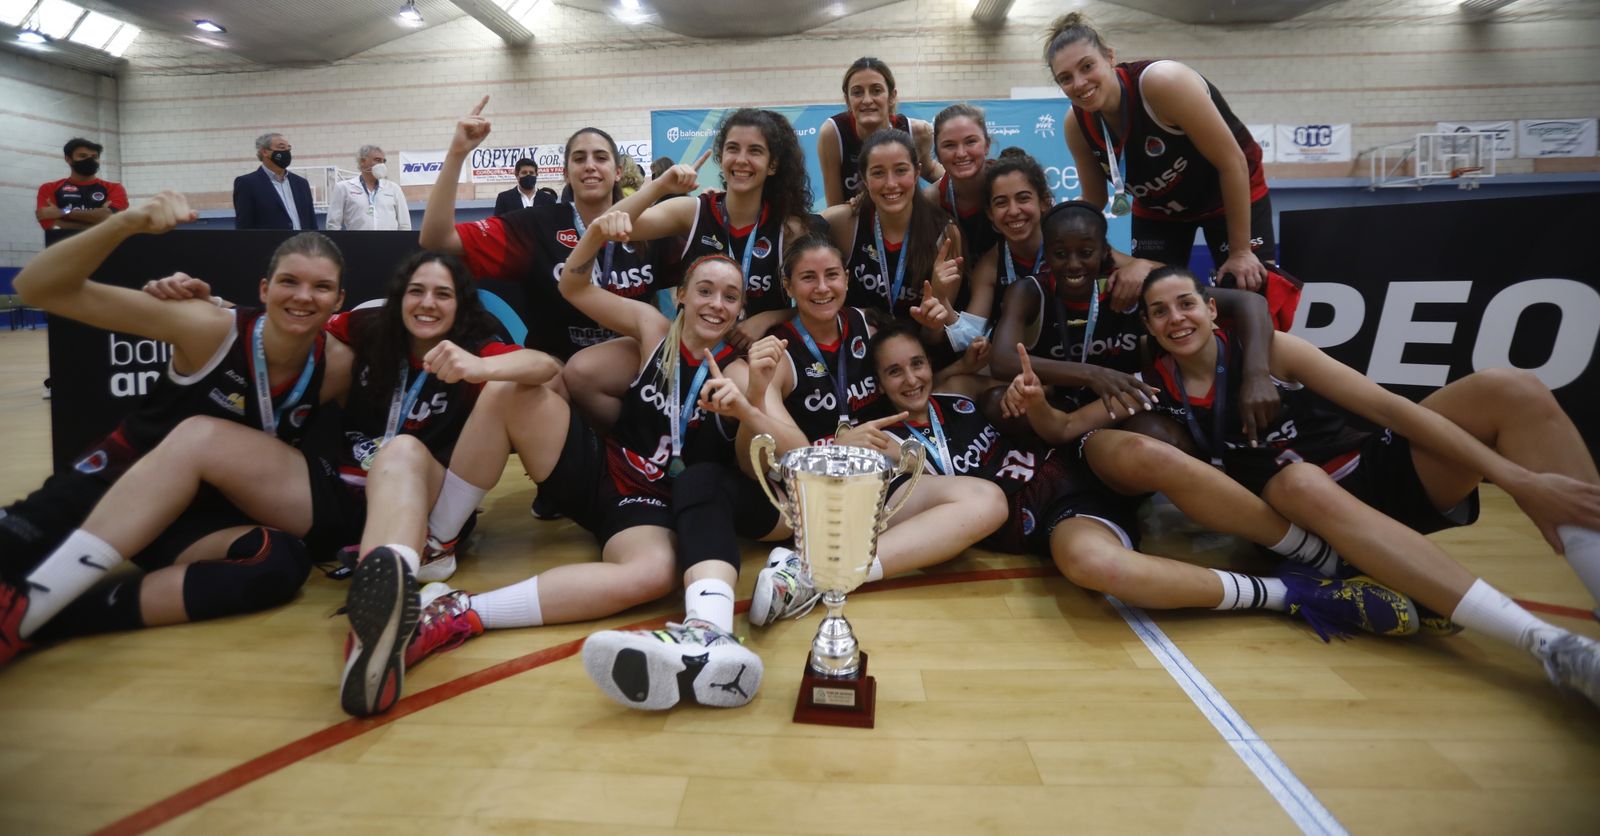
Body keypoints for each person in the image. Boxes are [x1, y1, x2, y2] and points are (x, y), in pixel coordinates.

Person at [1137, 266, 1600, 706]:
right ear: (1149, 326)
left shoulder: (1272, 353)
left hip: (1369, 472)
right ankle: (1550, 645)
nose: (1176, 318)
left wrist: (1517, 479)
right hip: (1297, 520)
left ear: (1211, 308)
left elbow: (1390, 410)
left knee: (1511, 388)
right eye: (1160, 311)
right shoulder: (1154, 389)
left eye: (1186, 303)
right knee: (1299, 482)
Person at [396, 214, 790, 713]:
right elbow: (573, 286)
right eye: (705, 291)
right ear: (681, 296)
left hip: (651, 506)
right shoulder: (654, 328)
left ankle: (459, 611)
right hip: (604, 470)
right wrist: (597, 233)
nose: (716, 303)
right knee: (508, 391)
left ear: (739, 310)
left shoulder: (739, 371)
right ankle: (438, 543)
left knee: (652, 575)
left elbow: (787, 448)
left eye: (730, 297)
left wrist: (750, 406)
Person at [865, 324, 1418, 637]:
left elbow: (991, 376)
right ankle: (1287, 594)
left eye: (917, 363)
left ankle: (1321, 556)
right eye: (894, 370)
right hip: (1047, 518)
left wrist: (1020, 397)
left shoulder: (957, 391)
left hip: (1075, 459)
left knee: (1142, 450)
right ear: (877, 382)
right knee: (1095, 568)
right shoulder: (876, 442)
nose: (911, 378)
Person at [0, 192, 351, 666]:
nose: (304, 297)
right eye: (290, 282)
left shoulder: (338, 365)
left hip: (195, 518)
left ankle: (45, 617)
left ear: (338, 300)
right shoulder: (207, 327)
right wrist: (125, 223)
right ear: (265, 289)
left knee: (277, 561)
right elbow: (36, 288)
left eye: (321, 287)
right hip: (116, 483)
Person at [738, 235, 1009, 625]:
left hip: (882, 486)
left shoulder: (867, 323)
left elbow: (910, 382)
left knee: (988, 501)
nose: (822, 287)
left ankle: (816, 575)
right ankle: (824, 564)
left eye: (832, 275)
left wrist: (959, 367)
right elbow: (773, 454)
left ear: (847, 279)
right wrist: (836, 446)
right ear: (788, 286)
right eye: (808, 277)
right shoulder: (778, 352)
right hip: (820, 493)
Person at [988, 200, 1282, 441]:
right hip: (1056, 405)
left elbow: (1252, 301)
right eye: (1061, 254)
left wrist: (1257, 374)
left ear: (1105, 251)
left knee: (1153, 432)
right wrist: (1092, 374)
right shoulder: (1030, 291)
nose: (1074, 264)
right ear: (1047, 255)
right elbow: (1001, 360)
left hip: (1119, 405)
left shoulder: (1130, 286)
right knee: (1000, 403)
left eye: (1086, 252)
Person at [419, 97, 673, 363]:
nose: (590, 165)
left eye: (601, 157)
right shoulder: (533, 226)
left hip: (630, 369)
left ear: (618, 171)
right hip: (553, 372)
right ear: (566, 173)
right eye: (579, 158)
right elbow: (437, 239)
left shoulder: (649, 228)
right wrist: (457, 153)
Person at [1048, 13, 1275, 302]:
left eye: (1087, 66)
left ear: (1110, 57)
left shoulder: (1162, 82)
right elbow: (1094, 199)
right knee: (1153, 294)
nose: (1079, 83)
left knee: (1251, 289)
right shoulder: (1076, 123)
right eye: (1066, 78)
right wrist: (1052, 223)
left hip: (1227, 191)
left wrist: (1241, 252)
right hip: (1160, 209)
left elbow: (1232, 162)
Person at [608, 108, 815, 344]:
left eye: (755, 151)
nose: (741, 159)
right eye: (733, 148)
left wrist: (768, 318)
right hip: (694, 351)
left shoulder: (788, 229)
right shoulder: (693, 212)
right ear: (720, 156)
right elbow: (608, 227)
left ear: (772, 165)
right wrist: (660, 186)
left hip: (760, 352)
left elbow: (817, 300)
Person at [820, 129, 959, 324]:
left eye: (901, 170)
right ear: (864, 178)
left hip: (917, 342)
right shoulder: (842, 223)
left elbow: (937, 335)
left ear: (917, 172)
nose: (891, 184)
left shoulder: (945, 234)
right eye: (878, 173)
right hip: (859, 341)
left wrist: (936, 306)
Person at [818, 57, 941, 207]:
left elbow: (929, 169)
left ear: (892, 96)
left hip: (904, 216)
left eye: (876, 91)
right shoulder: (833, 133)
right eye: (857, 92)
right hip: (857, 218)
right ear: (847, 100)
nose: (867, 100)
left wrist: (962, 180)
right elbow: (834, 206)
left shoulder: (917, 132)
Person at [925, 104, 998, 267]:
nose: (961, 153)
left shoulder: (1011, 187)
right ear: (937, 154)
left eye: (970, 142)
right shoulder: (930, 201)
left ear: (987, 145)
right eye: (949, 145)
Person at [36, 137, 128, 233]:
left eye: (94, 157)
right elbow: (51, 226)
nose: (90, 160)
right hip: (63, 242)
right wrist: (98, 220)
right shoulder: (49, 188)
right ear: (68, 159)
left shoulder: (114, 188)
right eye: (83, 156)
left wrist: (62, 212)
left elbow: (111, 219)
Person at [233, 132, 316, 231]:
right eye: (282, 147)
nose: (286, 151)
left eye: (288, 148)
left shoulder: (301, 183)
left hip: (302, 240)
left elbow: (312, 223)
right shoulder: (247, 184)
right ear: (264, 152)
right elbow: (244, 227)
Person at [325, 145, 411, 231]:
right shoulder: (343, 188)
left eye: (383, 161)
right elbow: (333, 224)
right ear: (362, 161)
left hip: (388, 240)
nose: (382, 164)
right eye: (377, 160)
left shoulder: (393, 188)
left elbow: (405, 225)